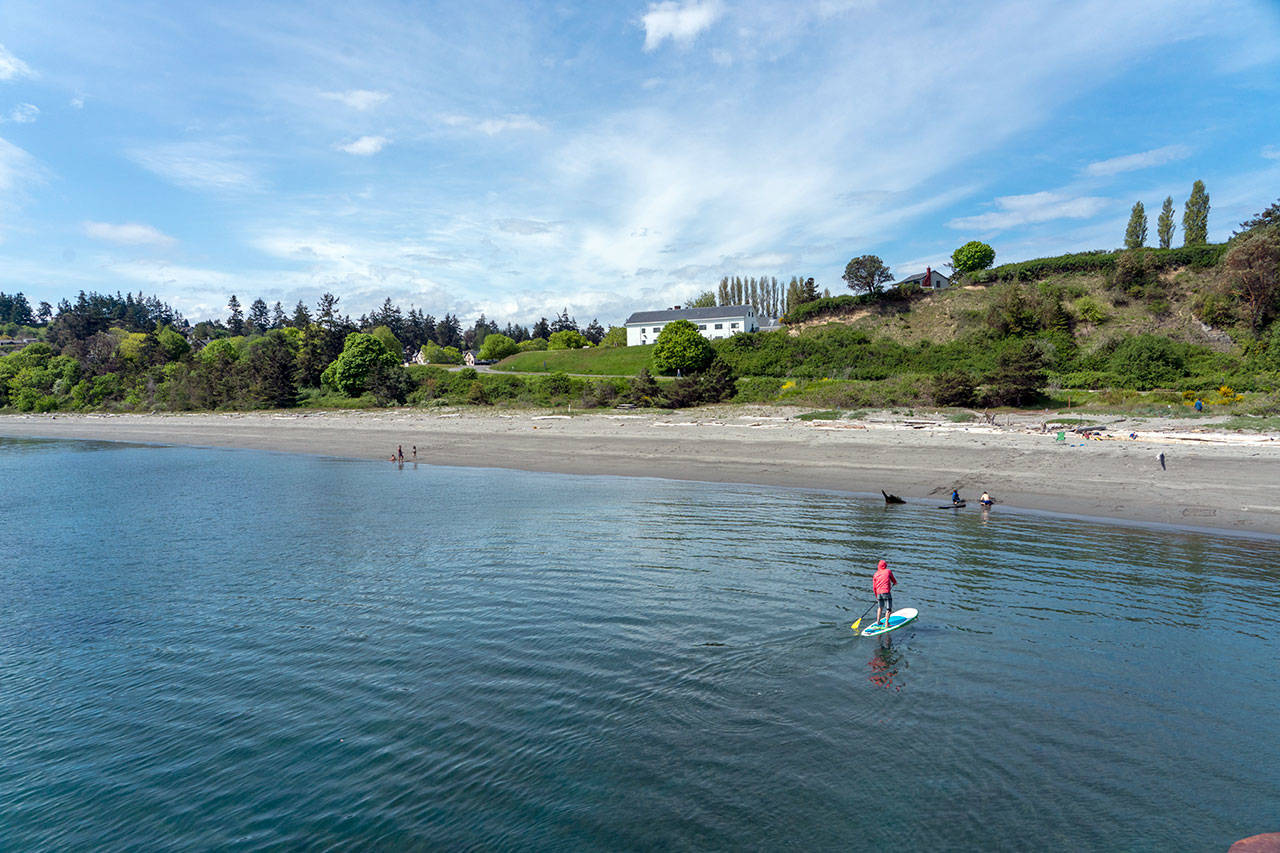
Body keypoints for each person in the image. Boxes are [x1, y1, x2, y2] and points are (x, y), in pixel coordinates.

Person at [873, 559, 897, 628]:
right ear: (885, 566)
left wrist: (876, 597)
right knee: (888, 608)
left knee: (880, 607)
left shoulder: (875, 574)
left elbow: (874, 587)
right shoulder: (888, 571)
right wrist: (895, 583)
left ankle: (878, 621)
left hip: (878, 593)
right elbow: (893, 580)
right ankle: (886, 623)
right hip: (886, 592)